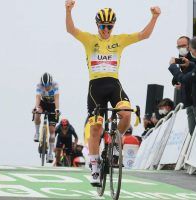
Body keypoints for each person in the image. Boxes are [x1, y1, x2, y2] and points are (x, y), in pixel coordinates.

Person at [65, 0, 161, 186]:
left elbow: (144, 35)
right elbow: (71, 30)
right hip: (95, 88)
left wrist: (154, 17)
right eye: (103, 26)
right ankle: (94, 167)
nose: (106, 29)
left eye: (109, 26)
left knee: (127, 115)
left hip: (114, 85)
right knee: (95, 129)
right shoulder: (89, 39)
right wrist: (68, 10)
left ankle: (114, 144)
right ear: (97, 25)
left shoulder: (119, 40)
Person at [171, 36, 196, 135]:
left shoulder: (195, 56)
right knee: (192, 132)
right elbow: (177, 78)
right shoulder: (180, 58)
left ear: (189, 45)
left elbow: (192, 74)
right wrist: (176, 83)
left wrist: (173, 67)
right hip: (187, 100)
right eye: (179, 46)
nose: (181, 48)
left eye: (183, 46)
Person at [33, 72, 60, 163]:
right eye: (44, 85)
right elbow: (37, 97)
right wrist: (36, 107)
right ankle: (37, 133)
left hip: (52, 105)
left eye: (48, 85)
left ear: (51, 83)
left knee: (52, 131)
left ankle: (50, 154)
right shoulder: (39, 85)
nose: (46, 87)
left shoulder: (55, 85)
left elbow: (56, 98)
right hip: (43, 104)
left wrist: (57, 109)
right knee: (37, 112)